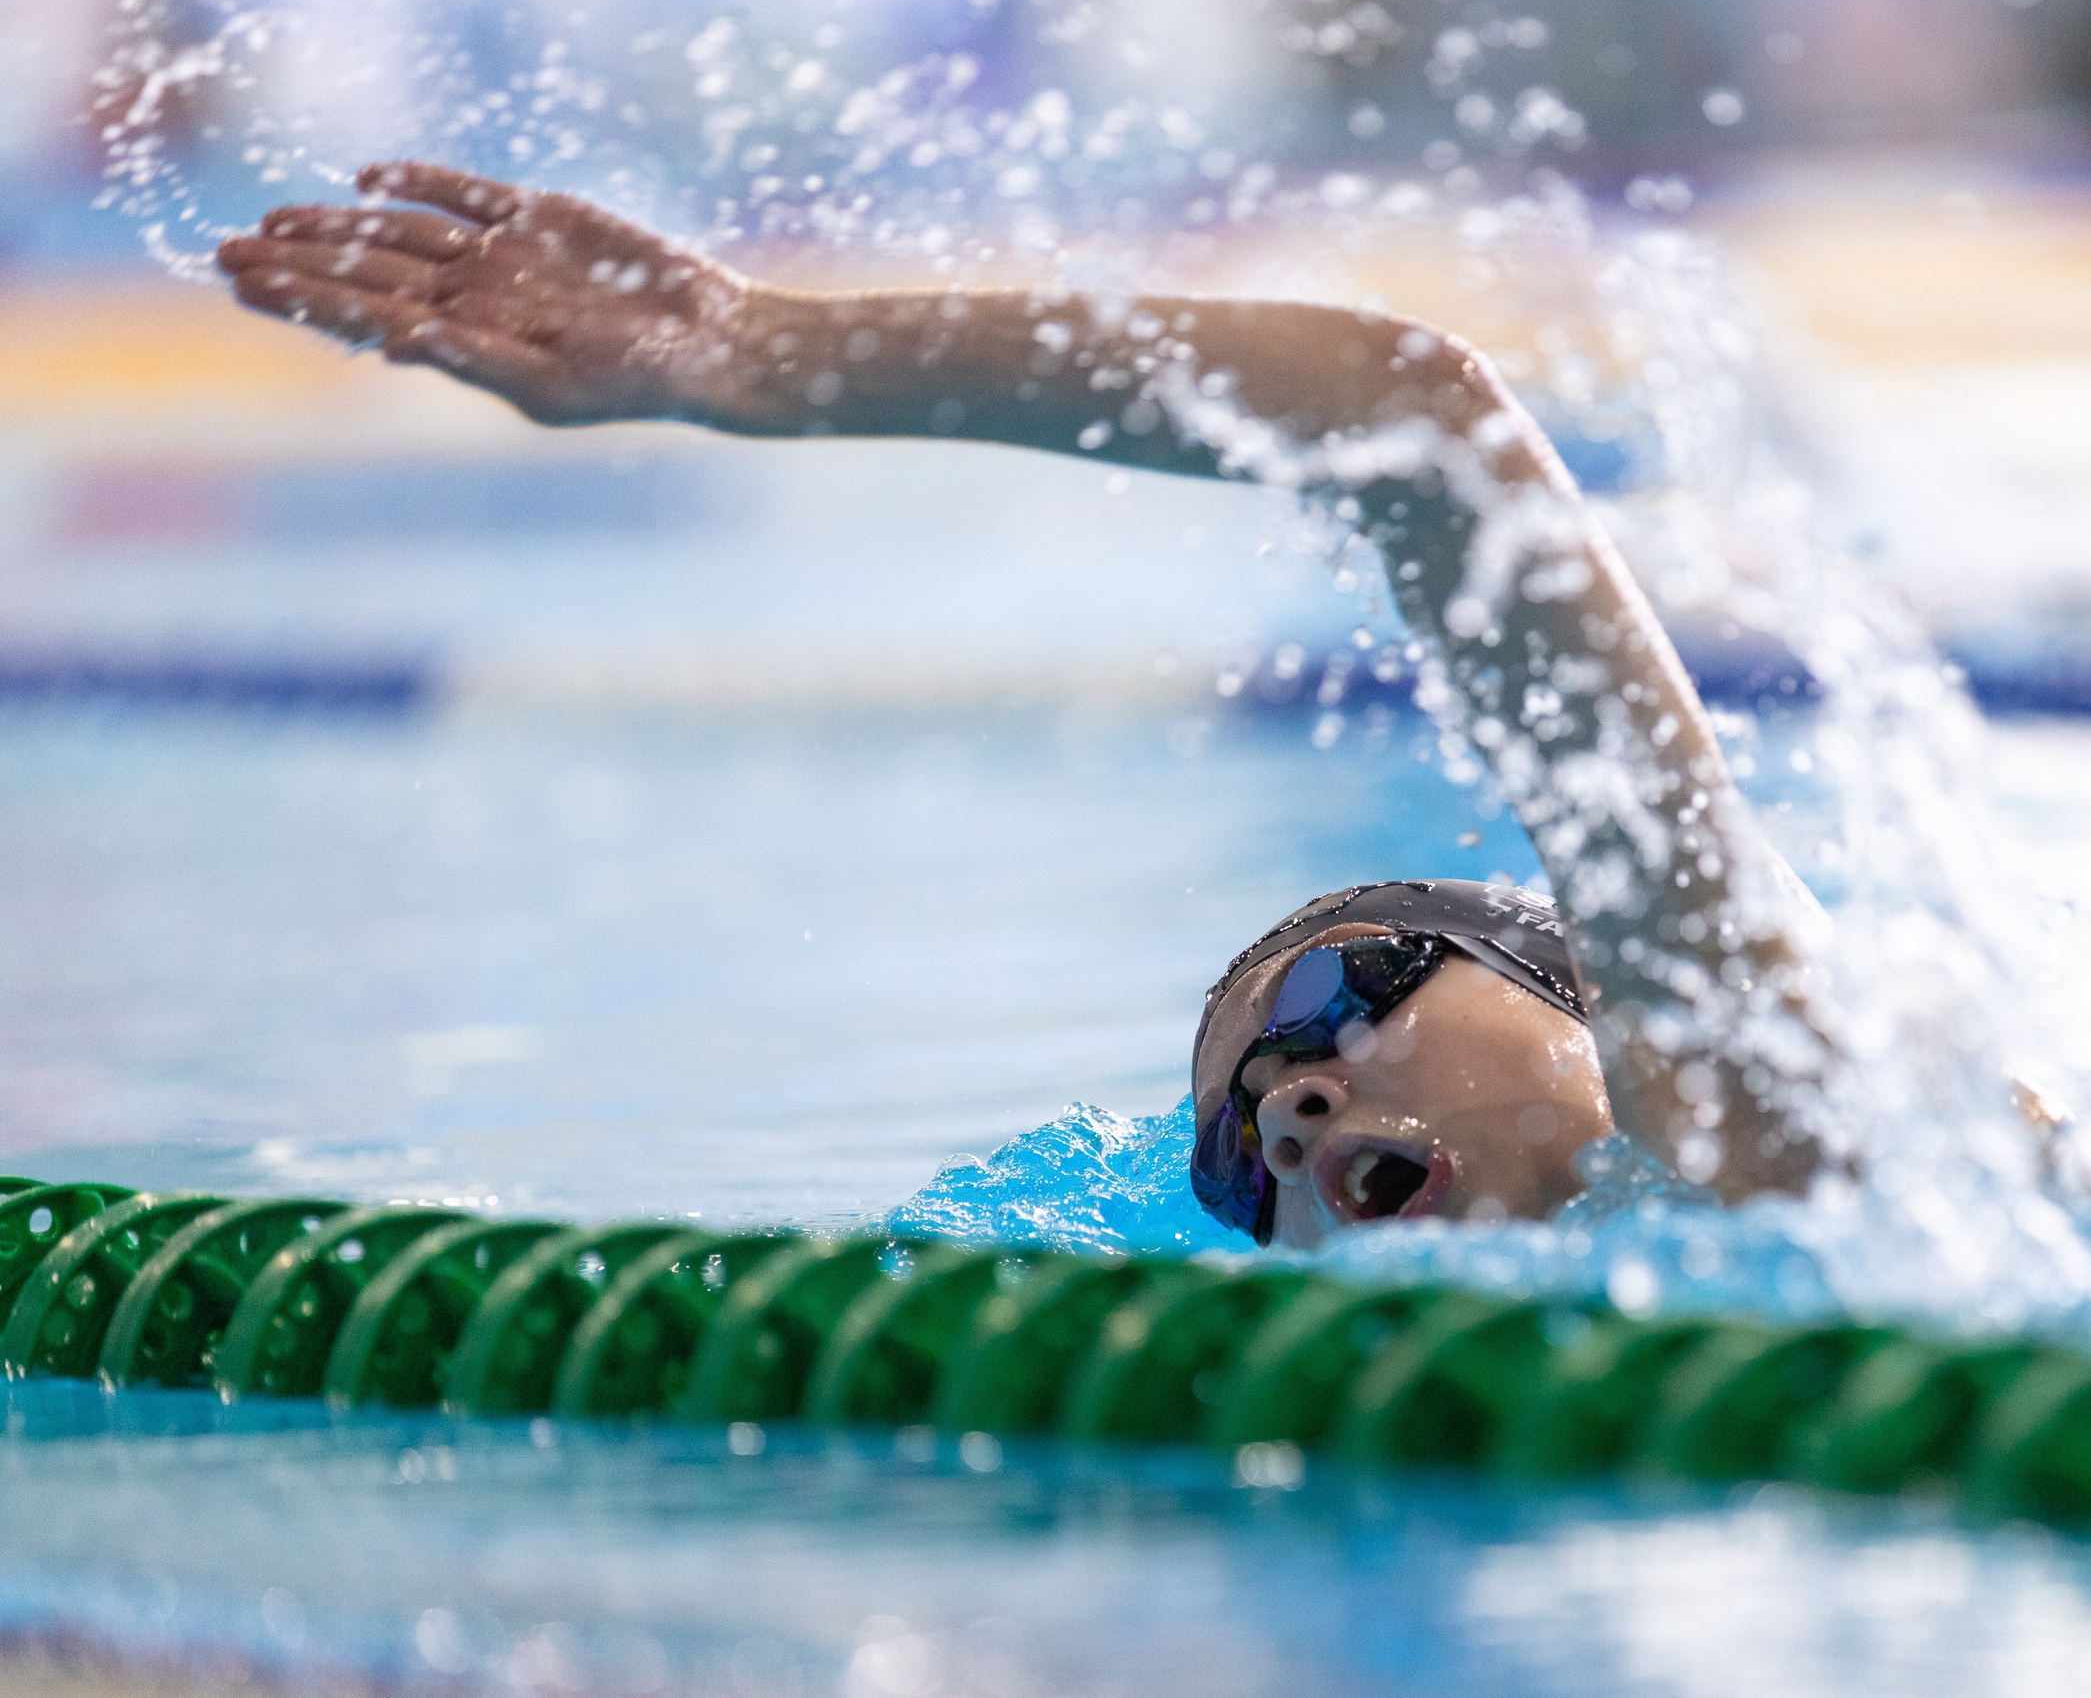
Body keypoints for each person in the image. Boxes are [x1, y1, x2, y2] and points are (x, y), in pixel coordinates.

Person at [216, 162, 1843, 1249]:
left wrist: (762, 355)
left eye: (1339, 998)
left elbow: (1405, 413)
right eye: (1227, 1147)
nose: (1285, 1107)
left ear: (1576, 983)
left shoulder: (1760, 1108)